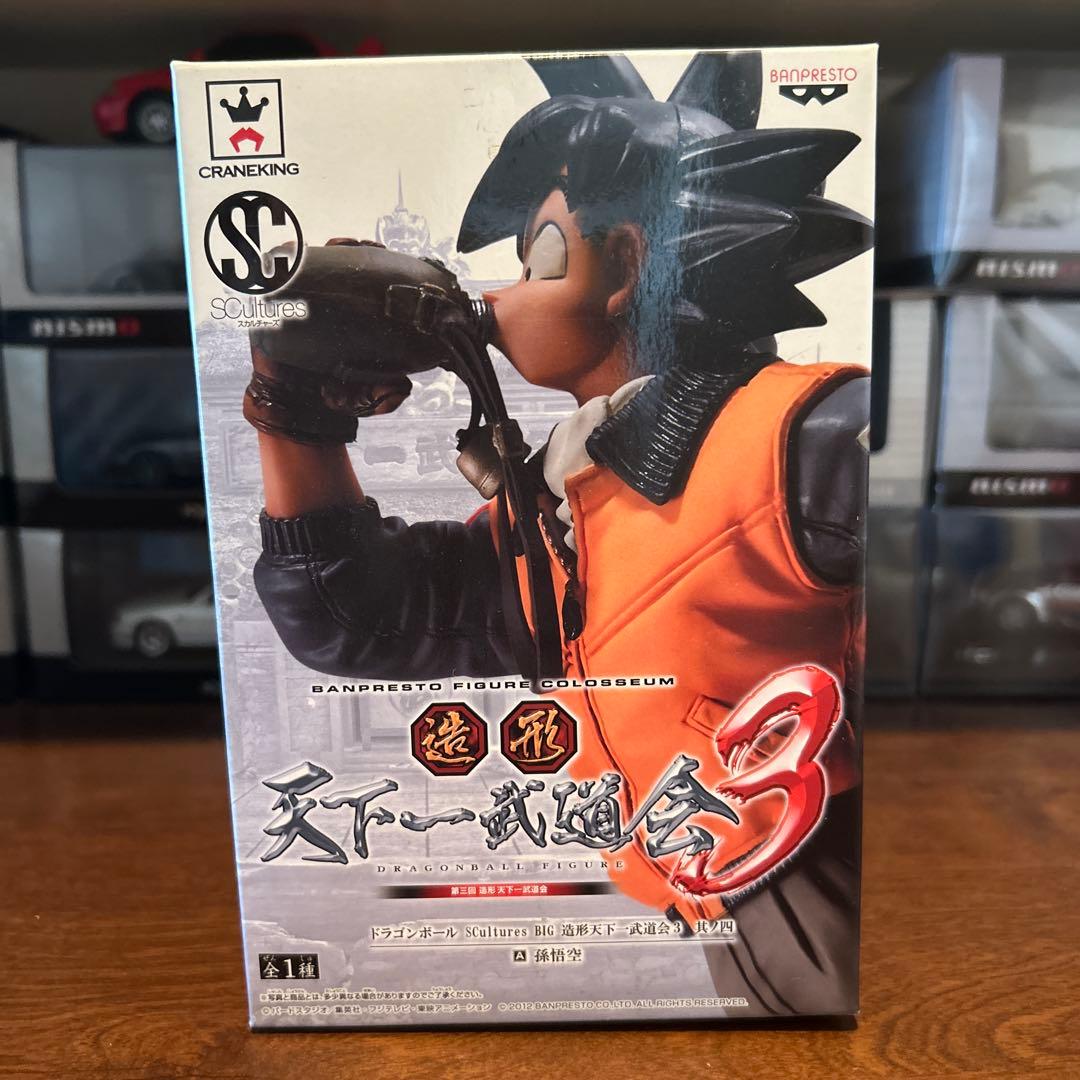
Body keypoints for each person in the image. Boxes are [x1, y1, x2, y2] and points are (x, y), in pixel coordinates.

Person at [245, 54, 872, 1013]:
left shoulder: (807, 437)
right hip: (714, 900)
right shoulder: (569, 502)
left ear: (624, 264)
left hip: (824, 873)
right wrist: (293, 412)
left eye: (538, 259)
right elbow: (359, 619)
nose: (499, 300)